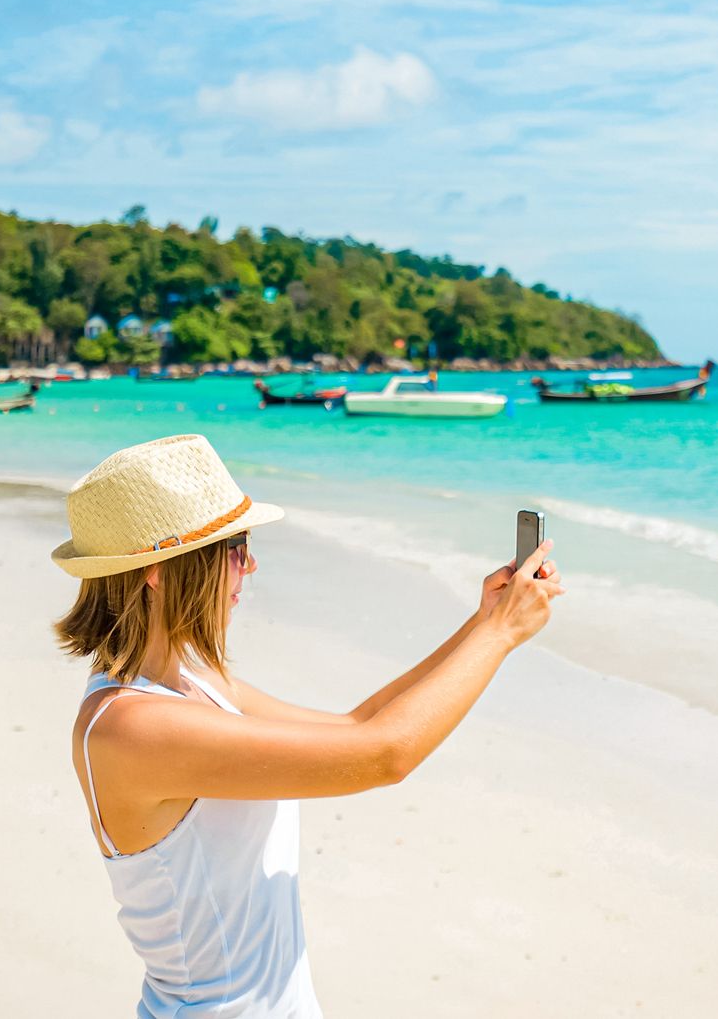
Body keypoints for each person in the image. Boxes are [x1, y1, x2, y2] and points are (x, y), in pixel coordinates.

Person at [50, 433, 563, 1017]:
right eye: (235, 547)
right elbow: (384, 756)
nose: (252, 564)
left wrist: (484, 622)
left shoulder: (194, 681)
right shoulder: (131, 728)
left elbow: (358, 724)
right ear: (159, 572)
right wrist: (501, 638)